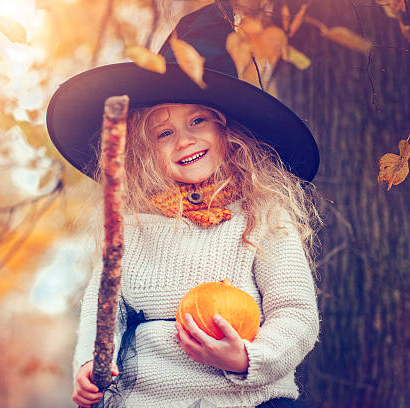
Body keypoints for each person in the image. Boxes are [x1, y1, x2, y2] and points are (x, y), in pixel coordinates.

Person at [46, 2, 321, 407]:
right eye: (163, 132)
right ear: (144, 151)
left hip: (249, 399)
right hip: (146, 399)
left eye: (198, 121)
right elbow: (105, 308)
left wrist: (249, 357)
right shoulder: (133, 228)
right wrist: (90, 363)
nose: (184, 141)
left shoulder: (263, 216)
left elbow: (295, 312)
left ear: (231, 132)